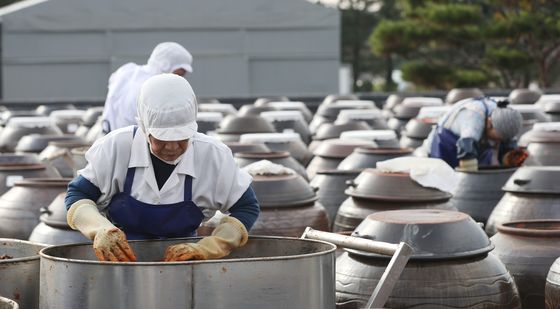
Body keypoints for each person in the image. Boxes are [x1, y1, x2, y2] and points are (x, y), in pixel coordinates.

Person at [65, 74, 260, 262]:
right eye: (162, 139)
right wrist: (99, 229)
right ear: (144, 127)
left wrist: (208, 248)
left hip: (186, 262)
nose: (172, 147)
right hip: (120, 261)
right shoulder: (118, 147)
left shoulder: (213, 155)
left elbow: (247, 207)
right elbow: (78, 194)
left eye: (182, 137)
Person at [101, 42, 194, 133]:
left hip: (109, 137)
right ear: (165, 65)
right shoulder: (155, 88)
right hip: (134, 142)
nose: (180, 79)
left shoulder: (127, 71)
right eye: (179, 74)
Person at [423, 97, 527, 170]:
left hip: (476, 146)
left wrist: (511, 157)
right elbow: (467, 152)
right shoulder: (473, 118)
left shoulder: (505, 115)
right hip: (445, 146)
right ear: (489, 123)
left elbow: (507, 148)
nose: (498, 142)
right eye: (497, 139)